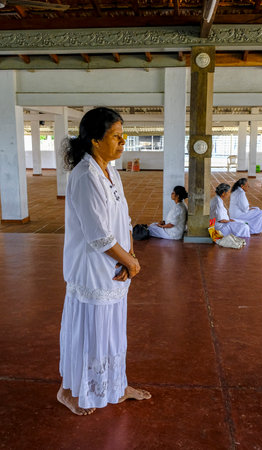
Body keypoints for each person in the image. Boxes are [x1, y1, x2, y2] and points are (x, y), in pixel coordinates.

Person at [57, 107, 151, 416]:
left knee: (112, 331)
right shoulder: (85, 176)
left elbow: (123, 221)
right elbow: (98, 235)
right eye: (116, 136)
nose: (122, 143)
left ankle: (116, 384)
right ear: (96, 140)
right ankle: (70, 390)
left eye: (123, 137)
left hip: (115, 268)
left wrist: (131, 256)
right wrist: (133, 264)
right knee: (90, 331)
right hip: (92, 271)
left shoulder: (110, 172)